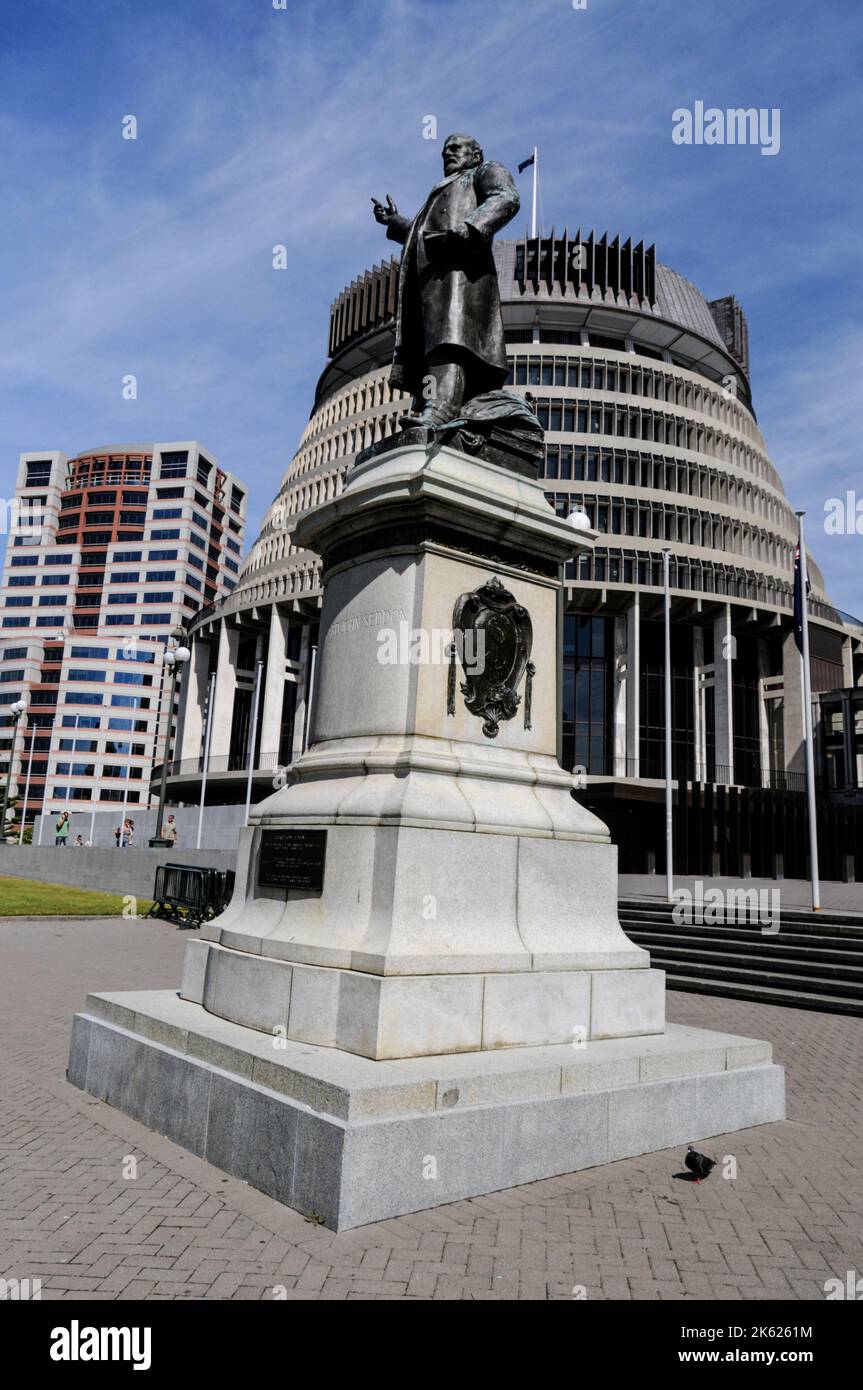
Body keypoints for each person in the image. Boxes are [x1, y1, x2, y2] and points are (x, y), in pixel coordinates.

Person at [372, 133, 520, 428]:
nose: (447, 154)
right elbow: (423, 235)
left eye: (455, 148)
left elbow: (506, 198)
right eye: (444, 151)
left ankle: (442, 408)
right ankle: (433, 404)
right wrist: (395, 223)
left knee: (451, 340)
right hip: (433, 282)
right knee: (433, 344)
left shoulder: (485, 170)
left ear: (475, 154)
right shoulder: (442, 189)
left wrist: (469, 229)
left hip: (461, 276)